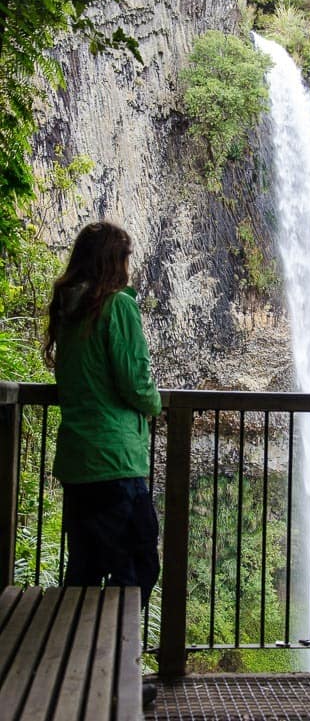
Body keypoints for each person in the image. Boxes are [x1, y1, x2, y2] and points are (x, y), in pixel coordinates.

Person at [45, 220, 162, 609]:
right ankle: (107, 662)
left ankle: (67, 661)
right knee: (138, 568)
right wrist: (155, 405)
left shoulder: (69, 309)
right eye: (126, 257)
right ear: (114, 261)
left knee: (85, 570)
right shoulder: (118, 305)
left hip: (78, 461)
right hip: (115, 462)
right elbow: (136, 382)